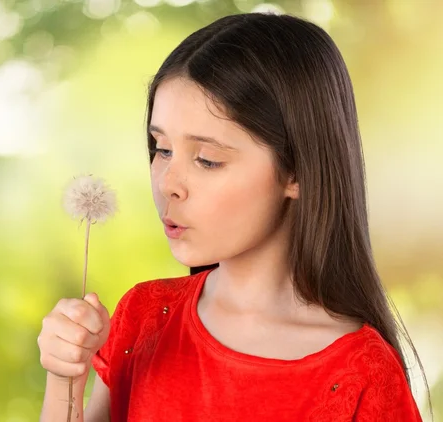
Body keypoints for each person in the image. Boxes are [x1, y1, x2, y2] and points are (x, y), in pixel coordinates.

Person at [37, 12, 428, 421]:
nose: (169, 183)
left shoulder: (361, 375)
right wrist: (65, 378)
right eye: (162, 149)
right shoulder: (144, 317)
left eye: (207, 160)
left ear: (297, 172)